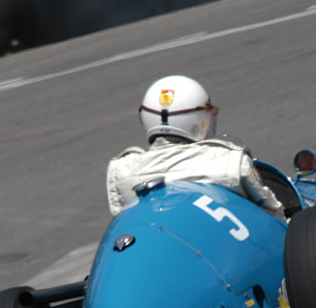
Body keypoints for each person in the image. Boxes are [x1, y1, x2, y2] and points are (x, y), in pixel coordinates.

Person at [106, 76, 285, 220]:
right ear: (200, 119)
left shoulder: (121, 171)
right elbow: (274, 215)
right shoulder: (230, 161)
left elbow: (123, 221)